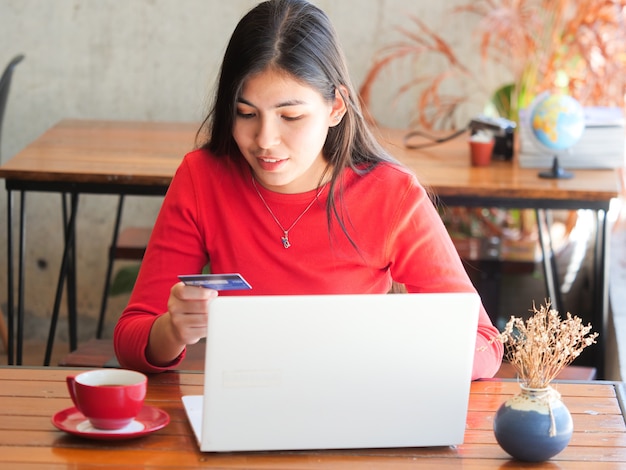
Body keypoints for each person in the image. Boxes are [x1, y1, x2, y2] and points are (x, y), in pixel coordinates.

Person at [114, 0, 503, 378]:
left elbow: (484, 343)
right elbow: (132, 335)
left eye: (291, 116)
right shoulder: (203, 177)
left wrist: (391, 353)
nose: (265, 139)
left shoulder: (390, 193)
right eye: (245, 113)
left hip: (351, 406)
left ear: (336, 108)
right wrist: (173, 330)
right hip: (245, 403)